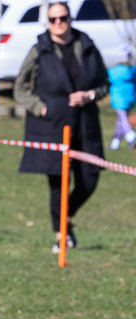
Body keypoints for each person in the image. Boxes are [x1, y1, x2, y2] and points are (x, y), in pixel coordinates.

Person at [14, 1, 108, 253]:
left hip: (85, 123)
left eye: (63, 18)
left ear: (70, 18)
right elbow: (20, 88)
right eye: (53, 19)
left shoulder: (86, 45)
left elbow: (103, 83)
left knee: (90, 179)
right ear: (48, 22)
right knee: (58, 182)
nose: (58, 23)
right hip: (52, 125)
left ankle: (65, 217)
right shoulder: (39, 49)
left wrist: (89, 95)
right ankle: (61, 236)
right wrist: (41, 108)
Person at [106, 50, 136, 150]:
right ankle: (116, 142)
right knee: (121, 119)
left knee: (123, 118)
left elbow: (106, 82)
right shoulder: (132, 70)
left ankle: (131, 136)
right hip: (130, 98)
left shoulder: (112, 71)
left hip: (118, 99)